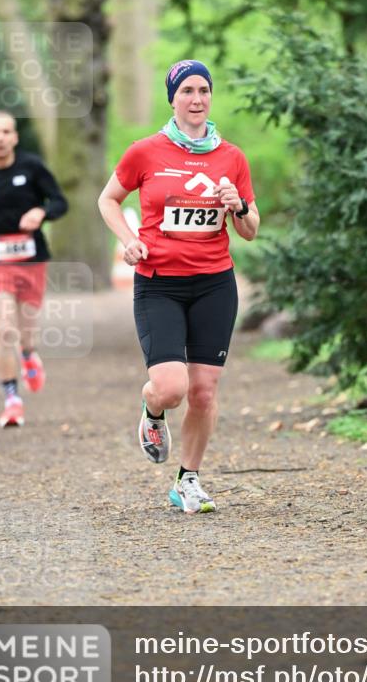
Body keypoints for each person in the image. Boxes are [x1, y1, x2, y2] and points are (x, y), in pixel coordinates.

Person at [98, 59, 259, 514]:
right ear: (173, 98)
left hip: (214, 284)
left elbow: (250, 230)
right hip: (159, 285)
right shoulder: (145, 152)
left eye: (204, 90)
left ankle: (188, 480)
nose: (197, 99)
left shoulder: (231, 157)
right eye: (187, 90)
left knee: (204, 391)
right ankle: (152, 411)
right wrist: (129, 242)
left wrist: (239, 205)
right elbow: (108, 199)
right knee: (171, 389)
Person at [0, 111, 69, 428]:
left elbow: (60, 202)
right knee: (4, 327)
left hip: (32, 260)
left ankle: (29, 353)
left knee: (25, 331)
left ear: (15, 137)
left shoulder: (31, 166)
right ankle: (12, 400)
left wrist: (41, 212)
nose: (1, 137)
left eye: (6, 131)